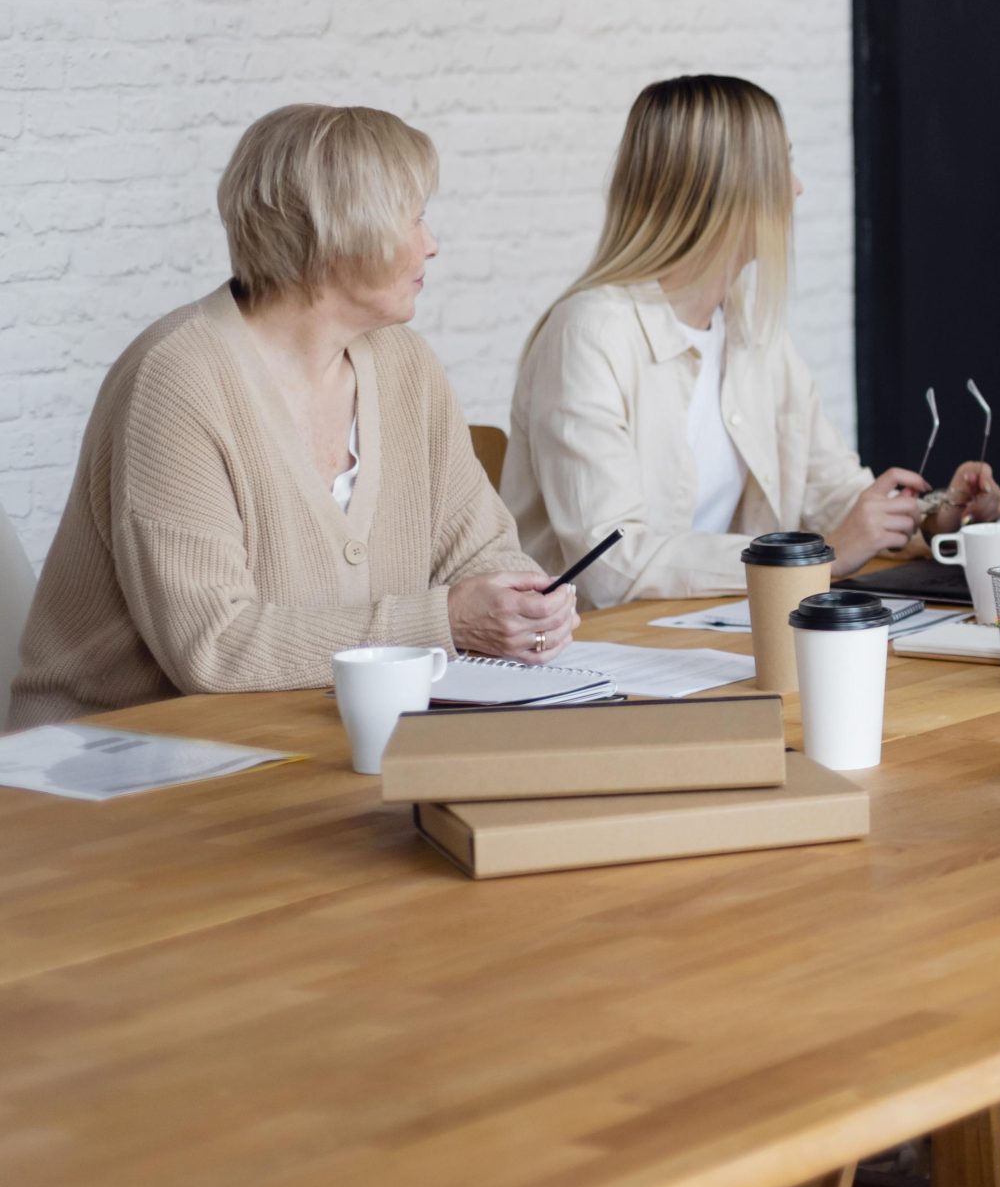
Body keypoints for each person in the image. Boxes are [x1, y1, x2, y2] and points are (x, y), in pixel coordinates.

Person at [8, 106, 575, 731]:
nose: (432, 243)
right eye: (412, 218)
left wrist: (525, 604)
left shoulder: (405, 364)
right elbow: (212, 647)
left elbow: (480, 550)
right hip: (119, 759)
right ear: (338, 233)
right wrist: (446, 622)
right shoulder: (179, 379)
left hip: (311, 737)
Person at [506, 75, 1000, 610]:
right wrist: (817, 557)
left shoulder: (752, 331)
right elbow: (608, 563)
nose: (796, 187)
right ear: (722, 188)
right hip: (601, 656)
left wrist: (938, 515)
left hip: (715, 635)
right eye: (782, 165)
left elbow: (833, 496)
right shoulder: (589, 334)